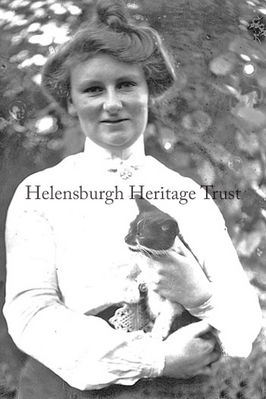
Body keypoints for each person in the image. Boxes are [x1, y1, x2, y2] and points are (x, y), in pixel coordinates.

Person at [3, 0, 261, 398]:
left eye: (126, 84)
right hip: (71, 386)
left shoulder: (186, 194)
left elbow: (245, 324)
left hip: (180, 389)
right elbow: (30, 314)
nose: (111, 103)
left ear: (148, 91)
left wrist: (200, 295)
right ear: (71, 103)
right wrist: (153, 360)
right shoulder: (41, 193)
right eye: (92, 90)